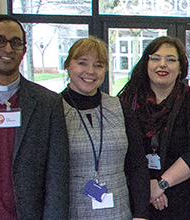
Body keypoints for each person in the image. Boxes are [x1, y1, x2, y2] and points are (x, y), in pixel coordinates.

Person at [0, 14, 68, 219]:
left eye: (15, 42)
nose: (8, 49)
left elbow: (57, 177)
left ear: (24, 50)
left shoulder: (48, 103)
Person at [118, 36, 190, 219]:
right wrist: (145, 186)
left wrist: (161, 185)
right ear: (146, 63)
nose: (162, 64)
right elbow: (121, 151)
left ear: (181, 67)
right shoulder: (126, 102)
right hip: (136, 200)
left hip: (184, 202)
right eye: (155, 58)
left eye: (171, 59)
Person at [61, 36, 149, 219]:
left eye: (98, 65)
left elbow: (137, 165)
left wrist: (141, 214)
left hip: (119, 211)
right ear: (67, 65)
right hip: (73, 212)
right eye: (82, 63)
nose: (90, 71)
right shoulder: (54, 110)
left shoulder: (120, 108)